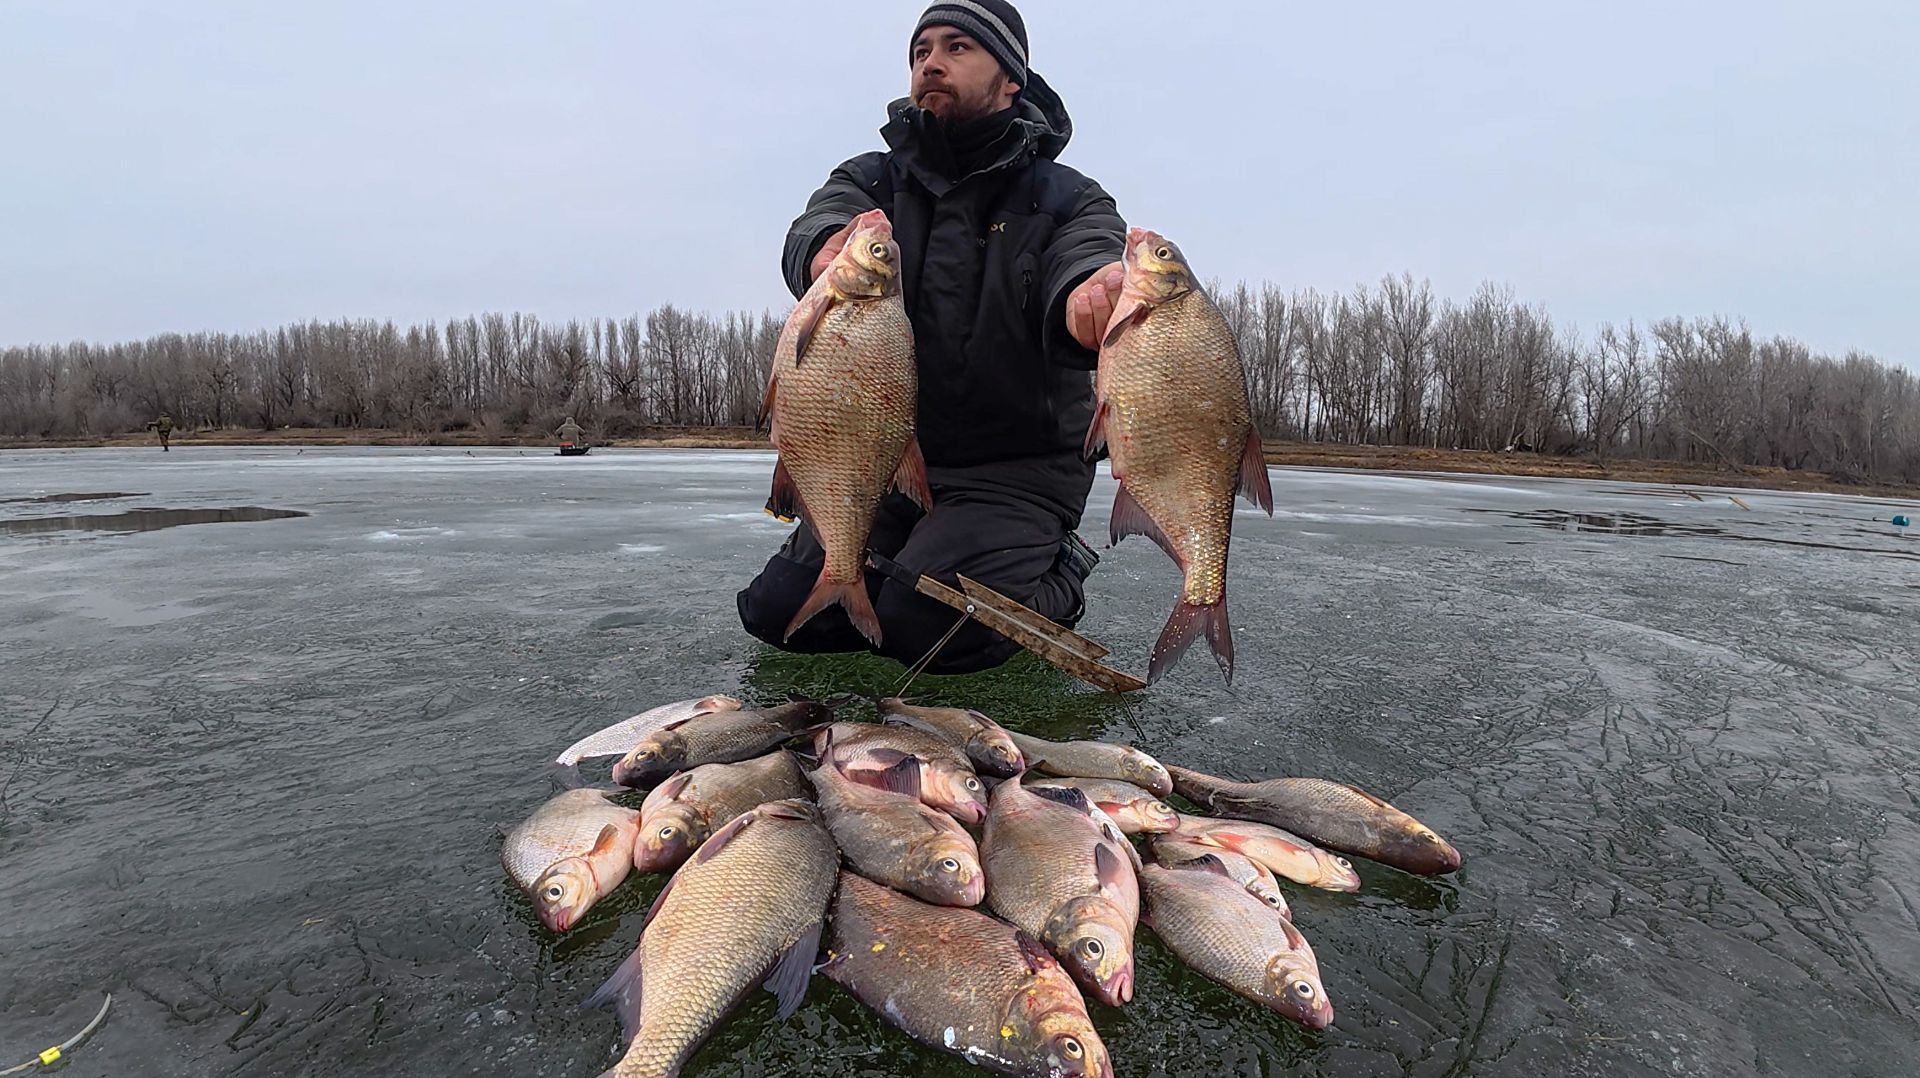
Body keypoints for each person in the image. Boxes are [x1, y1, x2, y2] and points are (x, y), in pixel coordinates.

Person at [737, 1, 1130, 675]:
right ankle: (906, 553)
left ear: (1011, 78)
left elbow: (1087, 257)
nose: (932, 64)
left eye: (957, 48)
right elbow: (821, 221)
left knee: (920, 629)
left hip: (1018, 470)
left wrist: (1089, 297)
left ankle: (1057, 576)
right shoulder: (871, 179)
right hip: (888, 456)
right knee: (777, 616)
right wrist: (821, 253)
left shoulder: (1069, 197)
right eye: (921, 52)